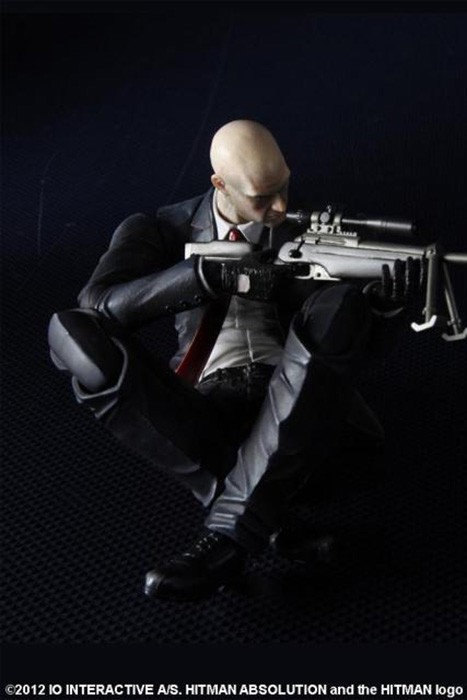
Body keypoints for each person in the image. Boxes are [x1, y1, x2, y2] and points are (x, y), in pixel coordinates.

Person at [47, 120, 420, 602]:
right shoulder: (160, 228)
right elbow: (96, 305)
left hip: (300, 400)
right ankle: (271, 523)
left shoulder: (313, 227)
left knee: (340, 305)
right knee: (69, 332)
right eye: (262, 198)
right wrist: (201, 277)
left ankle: (227, 538)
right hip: (205, 408)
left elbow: (355, 353)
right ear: (219, 184)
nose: (280, 207)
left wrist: (382, 309)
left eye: (284, 186)